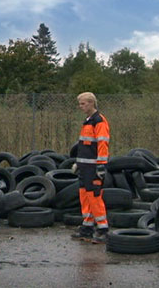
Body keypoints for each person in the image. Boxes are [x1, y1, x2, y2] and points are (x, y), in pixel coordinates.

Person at [71, 92, 110, 244]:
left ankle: (103, 229)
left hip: (93, 167)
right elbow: (84, 146)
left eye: (83, 104)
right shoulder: (87, 121)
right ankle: (87, 227)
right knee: (84, 196)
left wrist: (101, 165)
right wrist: (78, 163)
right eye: (80, 104)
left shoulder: (99, 121)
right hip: (84, 166)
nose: (80, 107)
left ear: (91, 103)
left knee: (94, 197)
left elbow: (102, 144)